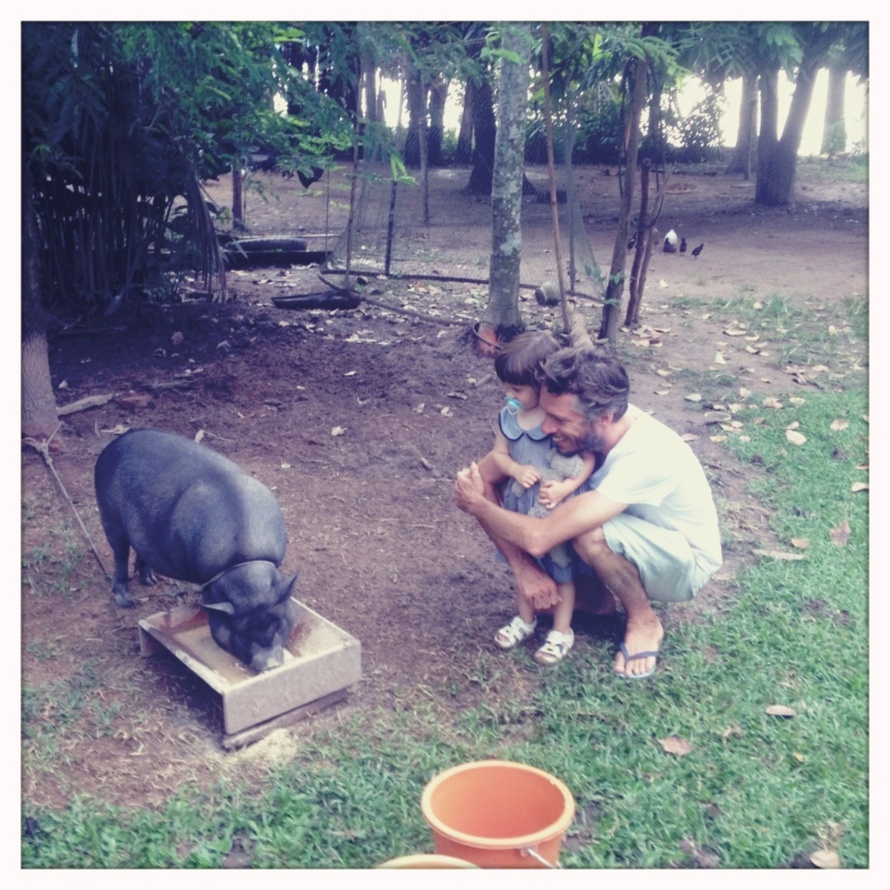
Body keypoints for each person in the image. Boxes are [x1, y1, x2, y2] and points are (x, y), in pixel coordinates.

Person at [456, 346, 722, 679]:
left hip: (681, 562)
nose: (547, 428)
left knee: (584, 529)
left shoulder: (647, 454)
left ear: (605, 418)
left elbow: (538, 537)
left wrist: (478, 506)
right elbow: (477, 481)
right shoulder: (581, 425)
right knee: (573, 516)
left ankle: (643, 620)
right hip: (631, 533)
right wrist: (522, 569)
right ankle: (597, 600)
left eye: (558, 420)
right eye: (545, 413)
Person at [482, 331, 596, 666]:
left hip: (553, 509)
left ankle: (562, 631)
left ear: (541, 384)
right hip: (521, 506)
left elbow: (587, 459)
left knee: (562, 571)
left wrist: (564, 488)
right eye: (505, 386)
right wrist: (515, 470)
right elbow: (499, 455)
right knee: (526, 566)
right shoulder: (507, 417)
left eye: (516, 389)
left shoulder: (556, 421)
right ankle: (526, 619)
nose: (509, 394)